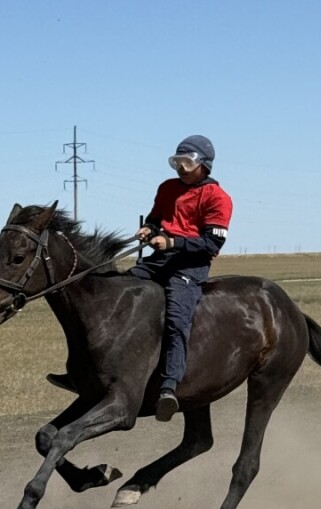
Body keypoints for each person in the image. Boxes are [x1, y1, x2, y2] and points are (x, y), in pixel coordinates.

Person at [47, 135, 233, 422]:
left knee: (176, 319)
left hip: (188, 268)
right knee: (112, 295)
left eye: (187, 163)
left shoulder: (218, 198)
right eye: (178, 162)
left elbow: (212, 245)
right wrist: (149, 228)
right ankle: (84, 375)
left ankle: (169, 386)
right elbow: (157, 218)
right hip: (157, 262)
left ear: (203, 165)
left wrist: (173, 244)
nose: (181, 168)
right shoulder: (167, 188)